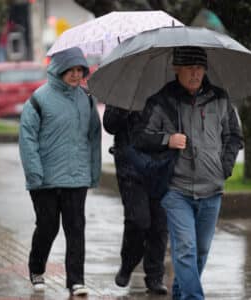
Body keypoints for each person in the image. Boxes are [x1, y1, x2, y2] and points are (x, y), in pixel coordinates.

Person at [134, 46, 243, 300]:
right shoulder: (161, 101)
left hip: (212, 189)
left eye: (199, 68)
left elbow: (234, 136)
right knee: (185, 250)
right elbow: (140, 137)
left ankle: (181, 295)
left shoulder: (220, 98)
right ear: (177, 69)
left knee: (201, 251)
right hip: (175, 189)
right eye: (189, 68)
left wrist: (223, 168)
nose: (195, 74)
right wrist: (167, 140)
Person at [18, 46, 101, 296]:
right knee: (48, 226)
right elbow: (27, 138)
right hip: (44, 180)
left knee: (76, 228)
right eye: (71, 70)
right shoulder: (38, 99)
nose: (76, 75)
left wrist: (93, 172)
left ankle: (76, 280)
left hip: (76, 178)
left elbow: (94, 137)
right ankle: (36, 268)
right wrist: (34, 173)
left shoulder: (87, 99)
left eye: (80, 70)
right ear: (59, 69)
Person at [103, 105, 168, 294]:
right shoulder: (125, 89)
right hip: (131, 169)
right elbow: (110, 125)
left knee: (159, 225)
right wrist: (125, 108)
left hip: (161, 168)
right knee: (138, 221)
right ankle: (128, 263)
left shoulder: (168, 91)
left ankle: (155, 276)